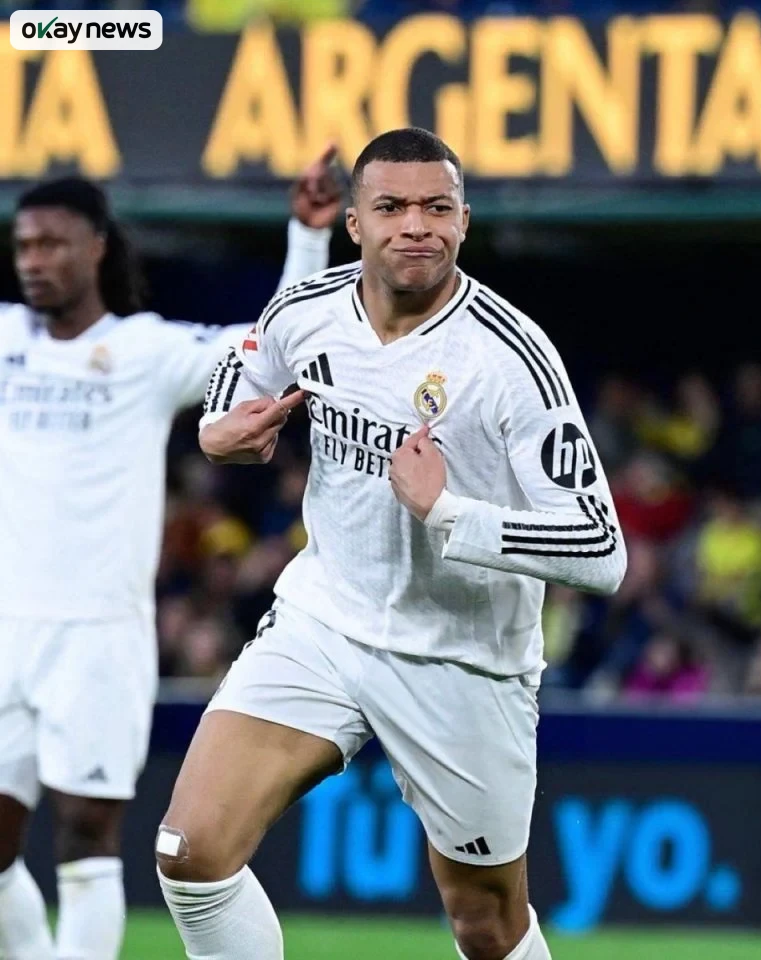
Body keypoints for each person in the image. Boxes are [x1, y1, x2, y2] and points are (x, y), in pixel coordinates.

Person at [157, 128, 627, 960]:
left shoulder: (511, 358)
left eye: (437, 208)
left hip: (462, 657)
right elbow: (248, 363)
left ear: (464, 222)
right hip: (324, 622)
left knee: (485, 923)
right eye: (393, 207)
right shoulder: (306, 309)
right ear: (355, 222)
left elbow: (601, 549)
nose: (416, 225)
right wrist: (216, 429)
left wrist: (449, 513)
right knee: (190, 855)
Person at [0, 147, 341, 960]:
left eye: (51, 244)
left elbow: (268, 348)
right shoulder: (5, 337)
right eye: (23, 246)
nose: (34, 260)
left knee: (86, 834)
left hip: (99, 632)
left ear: (96, 248)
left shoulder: (147, 350)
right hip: (6, 625)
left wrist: (306, 237)